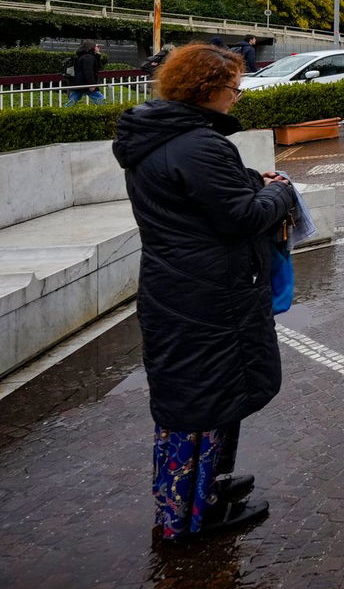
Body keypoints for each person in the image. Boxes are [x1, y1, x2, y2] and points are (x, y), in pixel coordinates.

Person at [112, 43, 296, 540]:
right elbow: (243, 217)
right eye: (233, 87)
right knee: (206, 400)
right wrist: (279, 191)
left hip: (179, 286)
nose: (237, 96)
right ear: (207, 89)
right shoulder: (199, 145)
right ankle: (194, 515)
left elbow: (198, 200)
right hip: (210, 295)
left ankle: (204, 488)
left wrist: (247, 180)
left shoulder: (159, 138)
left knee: (200, 398)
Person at [65, 40, 106, 105]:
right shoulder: (88, 57)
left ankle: (64, 111)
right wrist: (91, 84)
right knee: (99, 98)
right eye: (97, 46)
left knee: (72, 100)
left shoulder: (83, 56)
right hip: (86, 84)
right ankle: (107, 111)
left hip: (78, 83)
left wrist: (97, 55)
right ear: (91, 47)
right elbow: (88, 71)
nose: (99, 48)